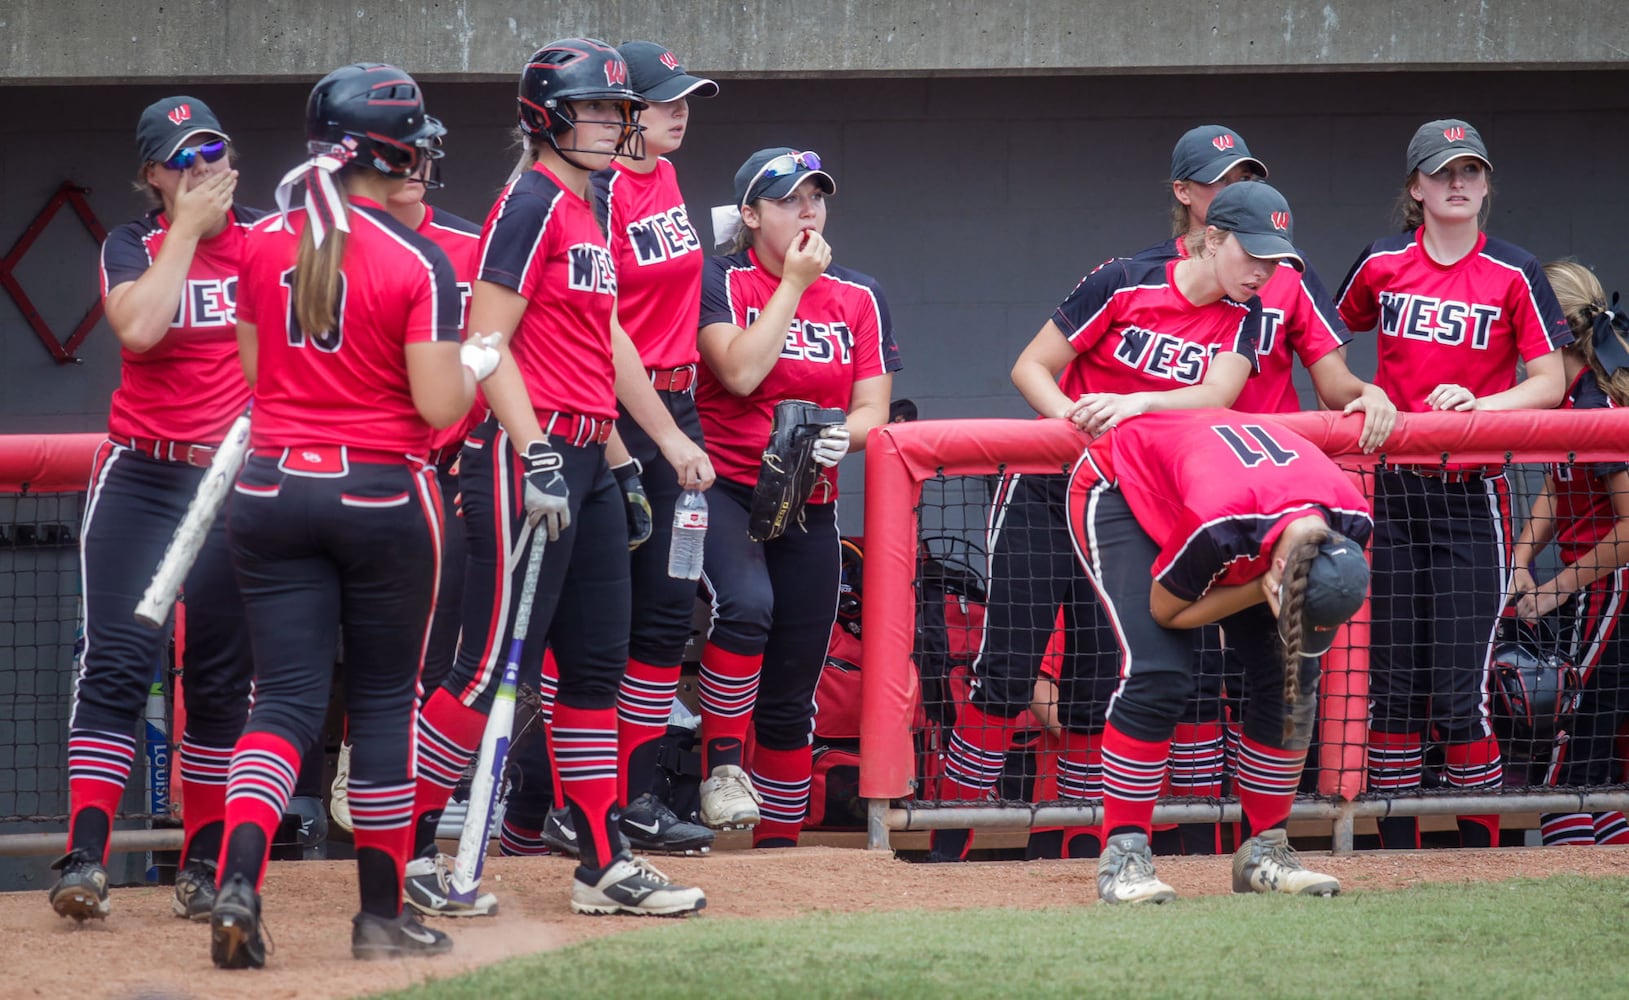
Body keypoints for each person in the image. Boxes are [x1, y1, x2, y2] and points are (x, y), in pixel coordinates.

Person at [929, 181, 1359, 862]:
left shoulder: (1246, 312)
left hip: (1130, 499)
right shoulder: (1123, 280)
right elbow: (1031, 367)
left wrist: (1131, 407)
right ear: (1211, 236)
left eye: (1275, 263)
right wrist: (1071, 418)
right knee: (1006, 669)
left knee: (1102, 675)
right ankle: (943, 838)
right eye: (1252, 256)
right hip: (1049, 484)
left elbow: (1215, 396)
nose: (1262, 274)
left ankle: (1072, 844)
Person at [407, 38, 706, 918]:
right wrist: (536, 445)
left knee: (594, 672)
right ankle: (407, 846)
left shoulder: (594, 204)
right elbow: (485, 343)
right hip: (524, 454)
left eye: (620, 110)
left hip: (588, 456)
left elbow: (599, 337)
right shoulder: (531, 201)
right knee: (488, 667)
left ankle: (603, 864)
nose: (616, 124)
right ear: (547, 116)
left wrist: (624, 456)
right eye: (599, 109)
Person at [210, 62, 484, 968]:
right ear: (390, 147)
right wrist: (480, 361)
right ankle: (377, 916)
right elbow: (441, 405)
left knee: (280, 702)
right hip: (381, 493)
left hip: (269, 488)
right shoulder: (420, 258)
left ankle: (239, 880)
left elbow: (255, 374)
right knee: (381, 706)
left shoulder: (257, 241)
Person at [1136, 125, 1395, 855]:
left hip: (1268, 499)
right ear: (1187, 198)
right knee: (1158, 672)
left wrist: (1365, 392)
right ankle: (1153, 843)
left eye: (1247, 175)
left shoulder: (1283, 272)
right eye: (1220, 180)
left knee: (1278, 674)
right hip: (1175, 496)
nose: (1237, 192)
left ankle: (1263, 844)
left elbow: (1331, 375)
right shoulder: (1153, 276)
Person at [497, 40, 720, 861]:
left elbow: (627, 322)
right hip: (585, 425)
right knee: (544, 649)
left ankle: (621, 816)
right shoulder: (559, 199)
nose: (668, 114)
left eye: (648, 104)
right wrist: (610, 444)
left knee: (651, 623)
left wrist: (656, 440)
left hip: (650, 412)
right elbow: (538, 339)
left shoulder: (640, 182)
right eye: (642, 104)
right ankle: (533, 810)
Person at [50, 96, 260, 924]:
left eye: (212, 149)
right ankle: (86, 858)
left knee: (218, 679)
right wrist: (182, 229)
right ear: (152, 176)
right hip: (145, 474)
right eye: (181, 158)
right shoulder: (130, 243)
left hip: (237, 482)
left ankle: (203, 863)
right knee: (116, 664)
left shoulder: (270, 241)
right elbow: (138, 328)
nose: (202, 166)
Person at [1336, 119, 1572, 849]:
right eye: (1442, 173)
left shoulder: (1514, 269)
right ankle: (1389, 855)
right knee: (1393, 691)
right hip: (1391, 493)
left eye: (1471, 171)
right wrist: (1359, 391)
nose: (1459, 183)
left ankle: (1485, 857)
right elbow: (1321, 338)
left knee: (1460, 690)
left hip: (1473, 495)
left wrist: (1481, 405)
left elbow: (1550, 380)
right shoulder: (1379, 262)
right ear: (1416, 188)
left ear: (1486, 184)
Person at [1067, 409, 1374, 903]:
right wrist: (1258, 587)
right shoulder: (1220, 524)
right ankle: (1123, 857)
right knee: (1158, 674)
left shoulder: (1353, 519)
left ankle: (1265, 852)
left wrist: (1268, 589)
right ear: (1278, 569)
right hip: (1126, 487)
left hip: (1238, 510)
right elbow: (1167, 611)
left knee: (1295, 671)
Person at [692, 146, 901, 844]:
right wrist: (791, 285)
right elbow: (742, 374)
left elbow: (874, 404)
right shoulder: (718, 276)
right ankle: (722, 770)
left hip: (806, 499)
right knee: (747, 609)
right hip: (723, 487)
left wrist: (851, 434)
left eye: (815, 196)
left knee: (793, 687)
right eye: (786, 199)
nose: (807, 208)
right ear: (749, 215)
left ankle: (783, 852)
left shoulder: (858, 293)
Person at [329, 131, 485, 841]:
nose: (417, 170)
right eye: (403, 156)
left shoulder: (467, 243)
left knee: (436, 642)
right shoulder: (323, 241)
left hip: (442, 468)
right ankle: (359, 763)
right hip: (344, 461)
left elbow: (493, 358)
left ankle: (402, 797)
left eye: (424, 157)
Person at [1508, 262, 1629, 846]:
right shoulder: (1568, 399)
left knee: (1568, 698)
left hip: (1612, 581)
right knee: (1592, 718)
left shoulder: (1598, 408)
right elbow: (1558, 491)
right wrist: (1520, 563)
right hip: (1589, 581)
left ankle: (1564, 823)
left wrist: (1556, 588)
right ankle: (1591, 822)